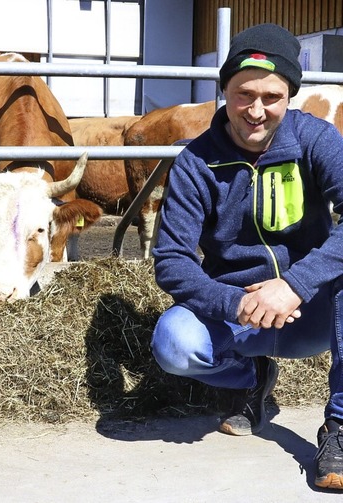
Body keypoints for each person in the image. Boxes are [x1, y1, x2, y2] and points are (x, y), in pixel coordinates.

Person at [150, 23, 343, 490]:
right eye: (243, 94)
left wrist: (295, 283)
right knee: (174, 343)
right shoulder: (196, 161)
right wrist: (235, 304)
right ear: (225, 90)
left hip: (309, 308)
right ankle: (247, 378)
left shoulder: (317, 140)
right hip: (240, 316)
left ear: (290, 96)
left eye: (272, 97)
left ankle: (340, 425)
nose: (256, 111)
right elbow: (171, 259)